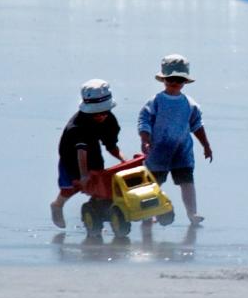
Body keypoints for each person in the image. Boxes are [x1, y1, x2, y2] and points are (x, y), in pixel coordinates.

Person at [138, 54, 212, 227]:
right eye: (170, 79)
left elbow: (197, 125)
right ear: (164, 79)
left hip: (182, 151)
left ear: (185, 82)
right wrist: (145, 140)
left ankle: (192, 213)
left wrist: (206, 146)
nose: (174, 83)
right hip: (158, 151)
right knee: (153, 183)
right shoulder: (155, 101)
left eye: (179, 80)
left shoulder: (190, 104)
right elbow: (144, 121)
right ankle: (148, 215)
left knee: (187, 182)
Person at [50, 79, 125, 229]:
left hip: (93, 152)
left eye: (104, 112)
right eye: (96, 113)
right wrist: (83, 175)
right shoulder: (77, 127)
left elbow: (111, 146)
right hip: (71, 155)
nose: (101, 116)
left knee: (98, 184)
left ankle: (97, 212)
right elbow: (81, 152)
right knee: (71, 187)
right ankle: (57, 205)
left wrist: (124, 160)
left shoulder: (109, 120)